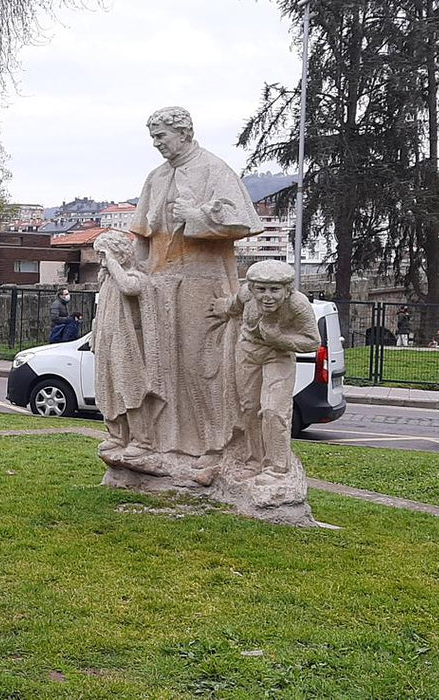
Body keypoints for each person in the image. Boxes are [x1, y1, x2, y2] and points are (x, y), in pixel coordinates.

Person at [117, 105, 264, 474]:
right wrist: (130, 271)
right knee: (162, 367)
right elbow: (142, 237)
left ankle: (216, 447)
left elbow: (243, 222)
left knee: (204, 368)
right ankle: (164, 443)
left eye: (161, 136)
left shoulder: (214, 169)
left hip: (203, 283)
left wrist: (198, 217)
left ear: (183, 132)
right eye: (152, 138)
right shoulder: (156, 177)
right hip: (160, 285)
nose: (157, 144)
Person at [210, 260, 320, 479]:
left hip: (278, 355)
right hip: (248, 353)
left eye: (275, 290)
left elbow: (312, 341)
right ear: (252, 288)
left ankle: (277, 467)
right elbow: (234, 306)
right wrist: (220, 308)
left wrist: (280, 339)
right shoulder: (247, 294)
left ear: (287, 290)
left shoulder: (298, 305)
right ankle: (254, 461)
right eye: (261, 289)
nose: (267, 296)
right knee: (249, 409)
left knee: (273, 411)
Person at [93, 230, 153, 461]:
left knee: (130, 389)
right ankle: (117, 435)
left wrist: (112, 263)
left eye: (103, 256)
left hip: (126, 344)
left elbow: (129, 287)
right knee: (107, 388)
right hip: (106, 342)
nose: (101, 262)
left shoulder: (135, 277)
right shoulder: (108, 280)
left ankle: (142, 439)